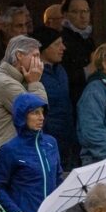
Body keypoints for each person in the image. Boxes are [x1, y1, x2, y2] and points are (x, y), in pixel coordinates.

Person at [0, 35, 47, 154]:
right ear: (19, 55)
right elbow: (37, 111)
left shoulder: (18, 80)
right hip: (3, 154)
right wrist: (35, 82)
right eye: (35, 56)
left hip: (12, 151)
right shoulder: (4, 82)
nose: (39, 62)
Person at [35, 27, 75, 169]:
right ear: (44, 48)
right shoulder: (35, 74)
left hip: (66, 138)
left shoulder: (61, 70)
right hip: (46, 138)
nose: (63, 48)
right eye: (57, 44)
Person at [60, 0, 97, 107]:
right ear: (65, 14)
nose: (83, 16)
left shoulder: (89, 39)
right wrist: (88, 70)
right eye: (76, 12)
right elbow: (62, 76)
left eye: (86, 11)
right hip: (71, 101)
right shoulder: (61, 40)